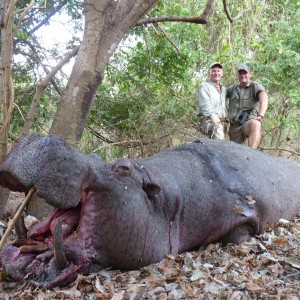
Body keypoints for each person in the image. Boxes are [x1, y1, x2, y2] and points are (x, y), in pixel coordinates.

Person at [227, 64, 268, 149]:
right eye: (240, 73)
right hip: (234, 127)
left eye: (245, 73)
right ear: (237, 75)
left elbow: (264, 97)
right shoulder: (232, 89)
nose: (243, 75)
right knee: (235, 154)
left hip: (247, 124)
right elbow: (219, 96)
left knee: (256, 124)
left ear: (249, 74)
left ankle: (252, 153)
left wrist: (261, 115)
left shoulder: (254, 86)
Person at [196, 62, 228, 140]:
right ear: (209, 73)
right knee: (219, 140)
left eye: (218, 71)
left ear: (222, 73)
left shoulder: (224, 89)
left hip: (223, 122)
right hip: (209, 121)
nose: (216, 73)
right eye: (213, 71)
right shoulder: (204, 86)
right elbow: (205, 105)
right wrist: (213, 117)